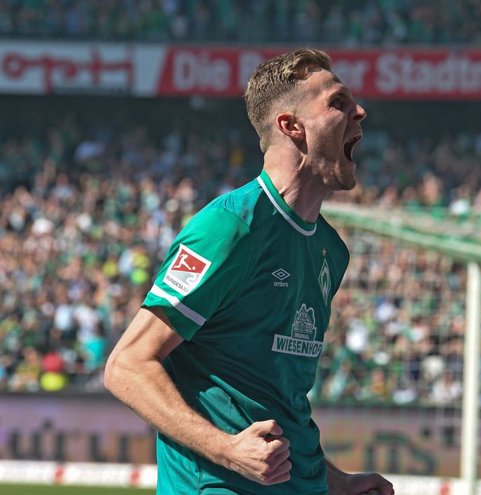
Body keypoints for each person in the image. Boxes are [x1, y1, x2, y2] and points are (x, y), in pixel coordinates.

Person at [104, 48, 394, 495]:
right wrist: (226, 450)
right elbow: (127, 365)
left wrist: (337, 482)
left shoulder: (329, 251)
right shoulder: (230, 227)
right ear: (291, 126)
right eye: (337, 103)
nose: (360, 111)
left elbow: (278, 402)